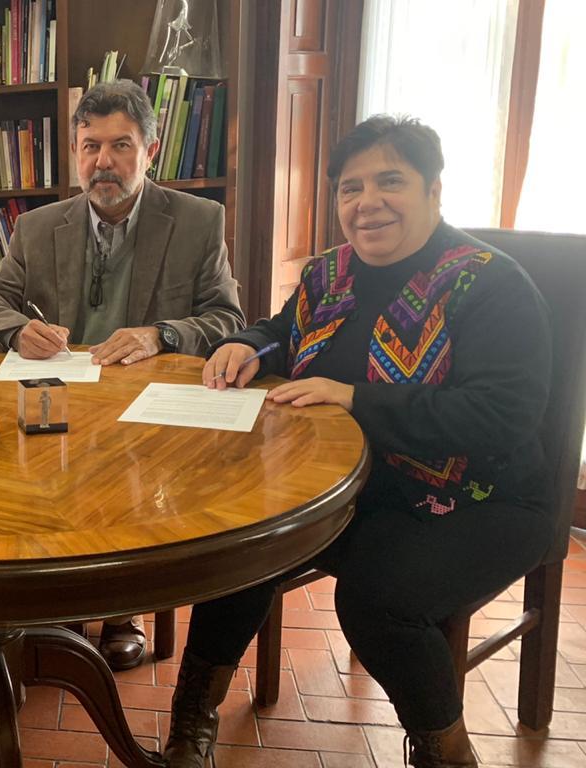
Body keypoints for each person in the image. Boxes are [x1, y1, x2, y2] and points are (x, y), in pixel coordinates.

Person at [164, 116, 554, 768]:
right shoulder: (329, 273)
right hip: (347, 483)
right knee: (240, 539)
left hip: (483, 500)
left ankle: (446, 754)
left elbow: (502, 416)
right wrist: (246, 345)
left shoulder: (489, 284)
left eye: (389, 181)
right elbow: (282, 332)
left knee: (376, 600)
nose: (367, 202)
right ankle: (191, 717)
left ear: (433, 189)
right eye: (351, 187)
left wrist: (355, 398)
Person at [0, 79, 245, 670]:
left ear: (151, 150)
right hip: (57, 404)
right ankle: (54, 599)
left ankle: (122, 609)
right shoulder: (37, 227)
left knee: (132, 474)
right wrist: (15, 329)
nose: (104, 162)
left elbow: (227, 318)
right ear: (75, 152)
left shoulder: (198, 220)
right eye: (90, 146)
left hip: (146, 415)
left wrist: (160, 334)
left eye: (121, 145)